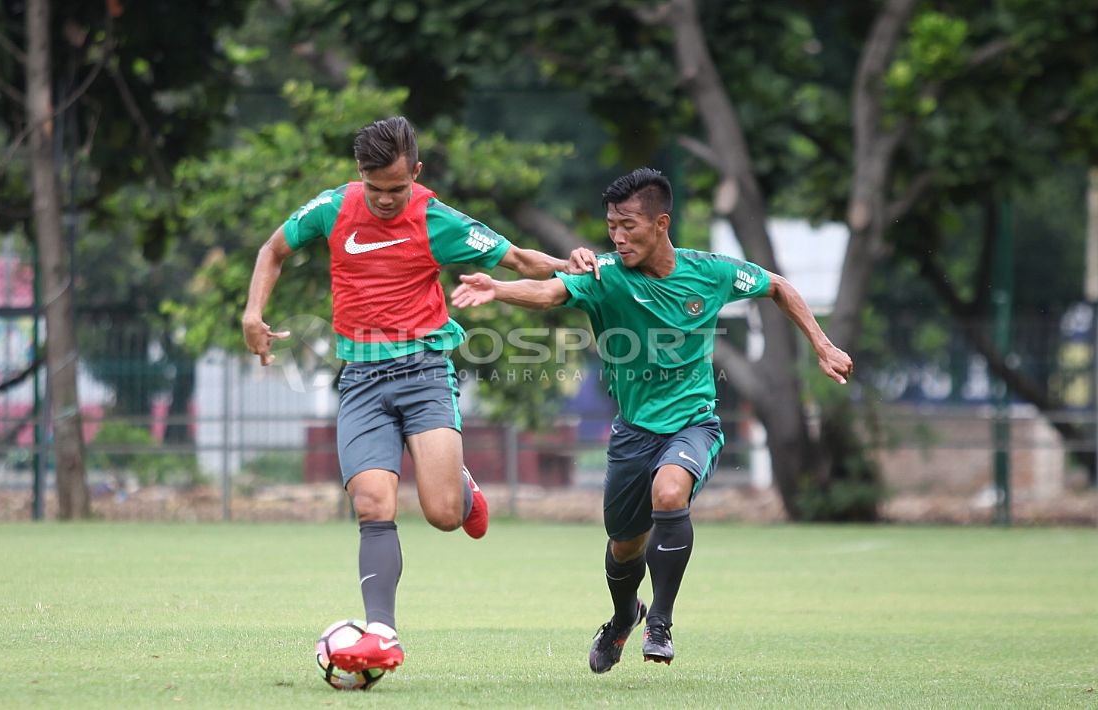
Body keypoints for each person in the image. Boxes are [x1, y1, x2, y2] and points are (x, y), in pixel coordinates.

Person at [451, 167, 853, 672]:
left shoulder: (710, 272)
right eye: (611, 226)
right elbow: (552, 292)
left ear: (661, 223)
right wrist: (499, 289)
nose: (617, 237)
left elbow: (778, 286)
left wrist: (822, 343)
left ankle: (660, 622)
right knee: (624, 547)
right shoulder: (607, 276)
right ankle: (625, 618)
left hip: (694, 423)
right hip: (633, 432)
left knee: (669, 492)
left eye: (629, 226)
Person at [241, 116, 598, 674]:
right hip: (360, 383)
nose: (386, 201)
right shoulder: (333, 208)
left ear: (417, 174)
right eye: (376, 188)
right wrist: (252, 312)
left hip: (425, 374)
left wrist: (574, 265)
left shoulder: (435, 218)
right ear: (360, 175)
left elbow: (520, 260)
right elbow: (273, 250)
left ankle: (456, 482)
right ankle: (382, 632)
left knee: (443, 516)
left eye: (398, 189)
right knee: (372, 505)